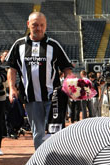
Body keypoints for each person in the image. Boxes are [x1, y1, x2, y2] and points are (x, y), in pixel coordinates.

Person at [6, 12, 73, 149]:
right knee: (38, 132)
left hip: (53, 97)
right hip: (31, 98)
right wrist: (12, 88)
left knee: (55, 131)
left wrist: (69, 86)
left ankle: (57, 161)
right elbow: (11, 69)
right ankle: (41, 162)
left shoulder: (54, 45)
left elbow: (67, 68)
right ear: (28, 24)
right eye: (35, 25)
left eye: (42, 25)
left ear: (46, 25)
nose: (39, 28)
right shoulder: (18, 45)